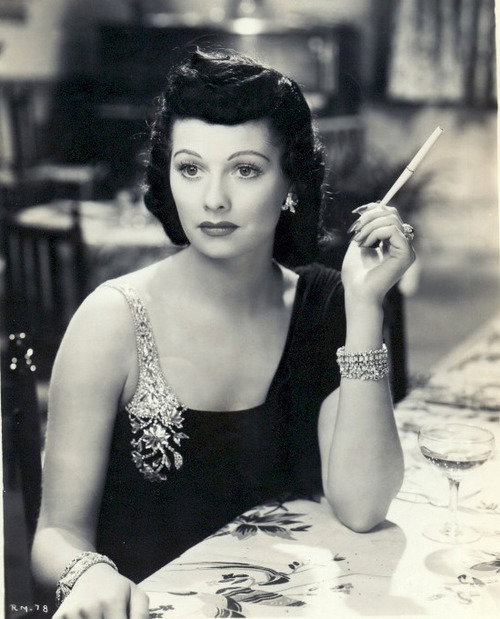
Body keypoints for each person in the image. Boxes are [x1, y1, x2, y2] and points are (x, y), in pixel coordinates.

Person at [31, 49, 414, 619]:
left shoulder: (326, 305)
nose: (213, 199)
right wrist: (89, 575)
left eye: (246, 169)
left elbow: (362, 508)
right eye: (190, 168)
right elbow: (55, 534)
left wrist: (364, 307)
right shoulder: (110, 321)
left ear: (290, 182)